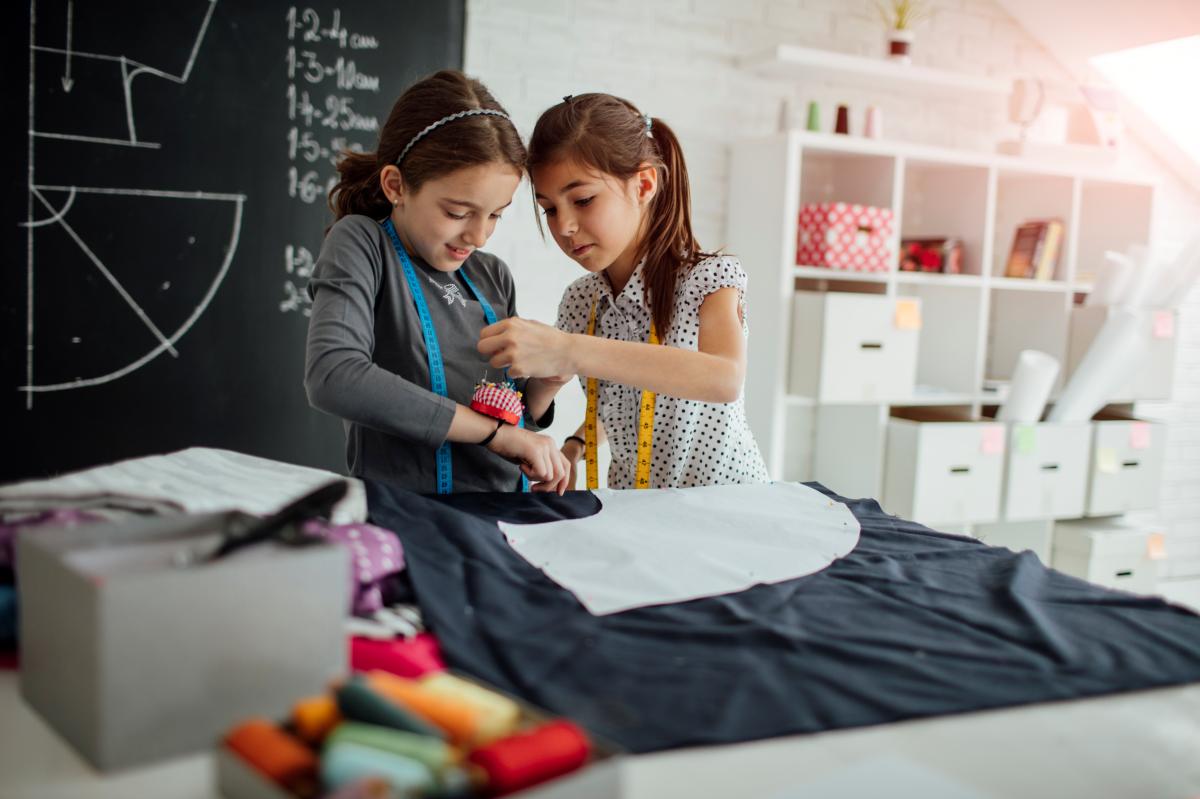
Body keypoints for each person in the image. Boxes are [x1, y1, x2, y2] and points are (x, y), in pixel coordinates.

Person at [477, 93, 768, 491]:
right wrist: (575, 441)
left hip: (728, 507)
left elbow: (723, 378)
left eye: (582, 200)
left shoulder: (710, 278)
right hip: (636, 508)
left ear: (644, 184)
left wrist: (570, 349)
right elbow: (625, 397)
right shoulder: (581, 303)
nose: (564, 227)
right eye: (549, 208)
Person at [305, 70, 568, 493]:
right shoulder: (363, 244)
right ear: (396, 186)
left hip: (503, 513)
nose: (479, 236)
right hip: (407, 513)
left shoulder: (492, 275)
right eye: (458, 212)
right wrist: (493, 433)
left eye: (496, 214)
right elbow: (334, 376)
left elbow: (514, 415)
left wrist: (547, 385)